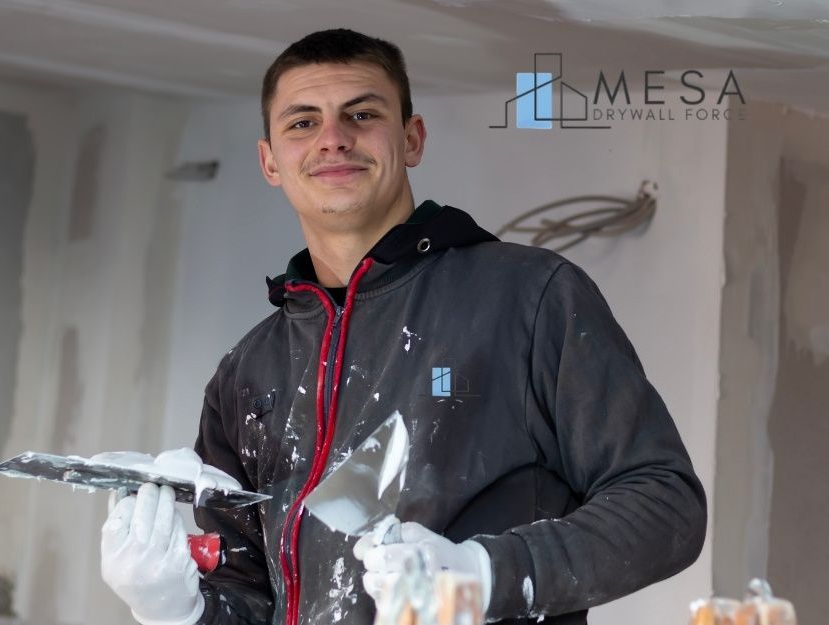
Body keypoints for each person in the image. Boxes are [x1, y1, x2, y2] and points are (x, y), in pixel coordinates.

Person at [100, 28, 707, 625]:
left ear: (412, 139)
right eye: (302, 122)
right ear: (270, 161)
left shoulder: (528, 297)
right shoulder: (248, 371)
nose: (333, 139)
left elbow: (665, 504)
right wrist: (179, 609)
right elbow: (248, 596)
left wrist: (486, 573)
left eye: (361, 114)